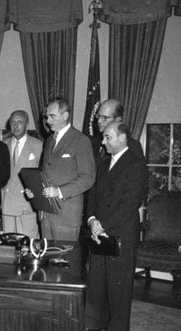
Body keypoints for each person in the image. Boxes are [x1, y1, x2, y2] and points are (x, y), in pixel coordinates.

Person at [85, 122, 147, 331]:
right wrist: (92, 220)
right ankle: (94, 326)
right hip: (98, 234)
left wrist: (102, 225)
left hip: (121, 236)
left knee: (118, 293)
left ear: (122, 138)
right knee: (97, 287)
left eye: (108, 137)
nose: (103, 142)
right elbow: (92, 197)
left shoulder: (136, 165)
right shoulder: (102, 164)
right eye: (103, 137)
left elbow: (129, 204)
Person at [28, 98, 95, 241]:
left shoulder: (80, 140)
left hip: (66, 216)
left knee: (65, 260)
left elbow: (88, 178)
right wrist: (35, 191)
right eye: (47, 117)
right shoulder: (49, 140)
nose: (48, 121)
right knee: (47, 259)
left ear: (65, 116)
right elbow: (45, 174)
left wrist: (59, 191)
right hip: (46, 215)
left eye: (52, 116)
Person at [2, 110, 42, 238]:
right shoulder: (3, 145)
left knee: (28, 244)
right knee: (9, 246)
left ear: (27, 124)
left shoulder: (38, 145)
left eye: (20, 122)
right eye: (13, 122)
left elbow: (42, 176)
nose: (16, 125)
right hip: (7, 205)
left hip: (27, 205)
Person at [92, 99, 144, 165]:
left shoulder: (132, 146)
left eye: (105, 118)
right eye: (98, 116)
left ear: (118, 119)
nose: (99, 121)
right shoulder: (92, 142)